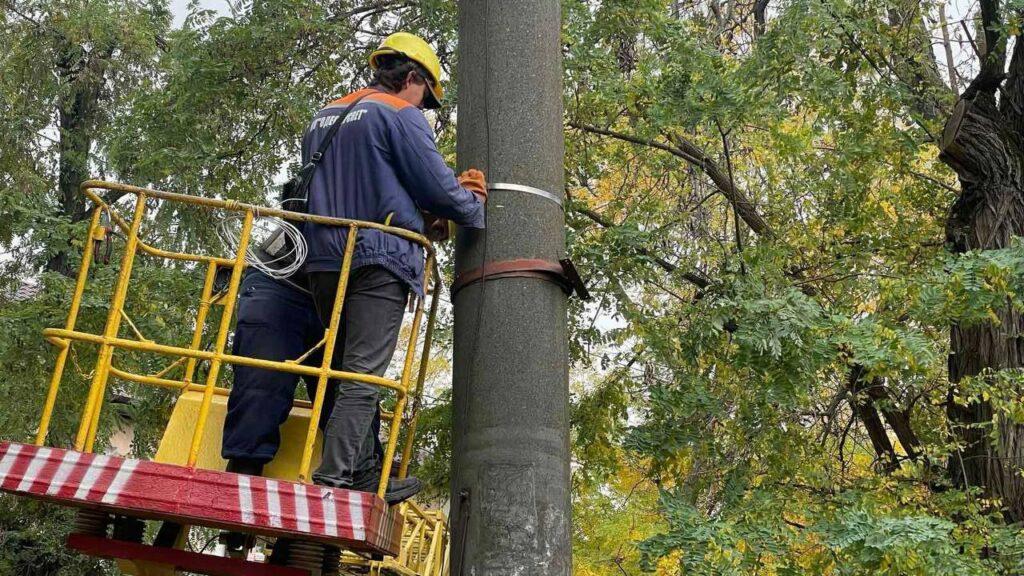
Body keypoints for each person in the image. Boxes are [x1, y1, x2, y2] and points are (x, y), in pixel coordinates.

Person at [301, 32, 487, 503]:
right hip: (377, 258)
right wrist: (472, 204)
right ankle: (334, 479)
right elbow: (441, 190)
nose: (424, 108)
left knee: (339, 370)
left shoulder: (325, 115)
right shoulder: (400, 115)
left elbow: (363, 183)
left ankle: (362, 472)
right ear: (411, 78)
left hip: (321, 257)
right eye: (426, 97)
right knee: (364, 374)